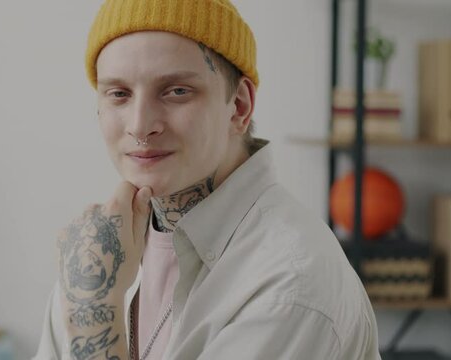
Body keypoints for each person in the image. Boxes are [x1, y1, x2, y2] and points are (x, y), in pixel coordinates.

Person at [34, 1, 381, 359]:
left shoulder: (291, 285)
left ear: (239, 106)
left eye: (177, 91)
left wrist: (94, 313)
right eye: (118, 94)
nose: (139, 125)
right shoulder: (100, 253)